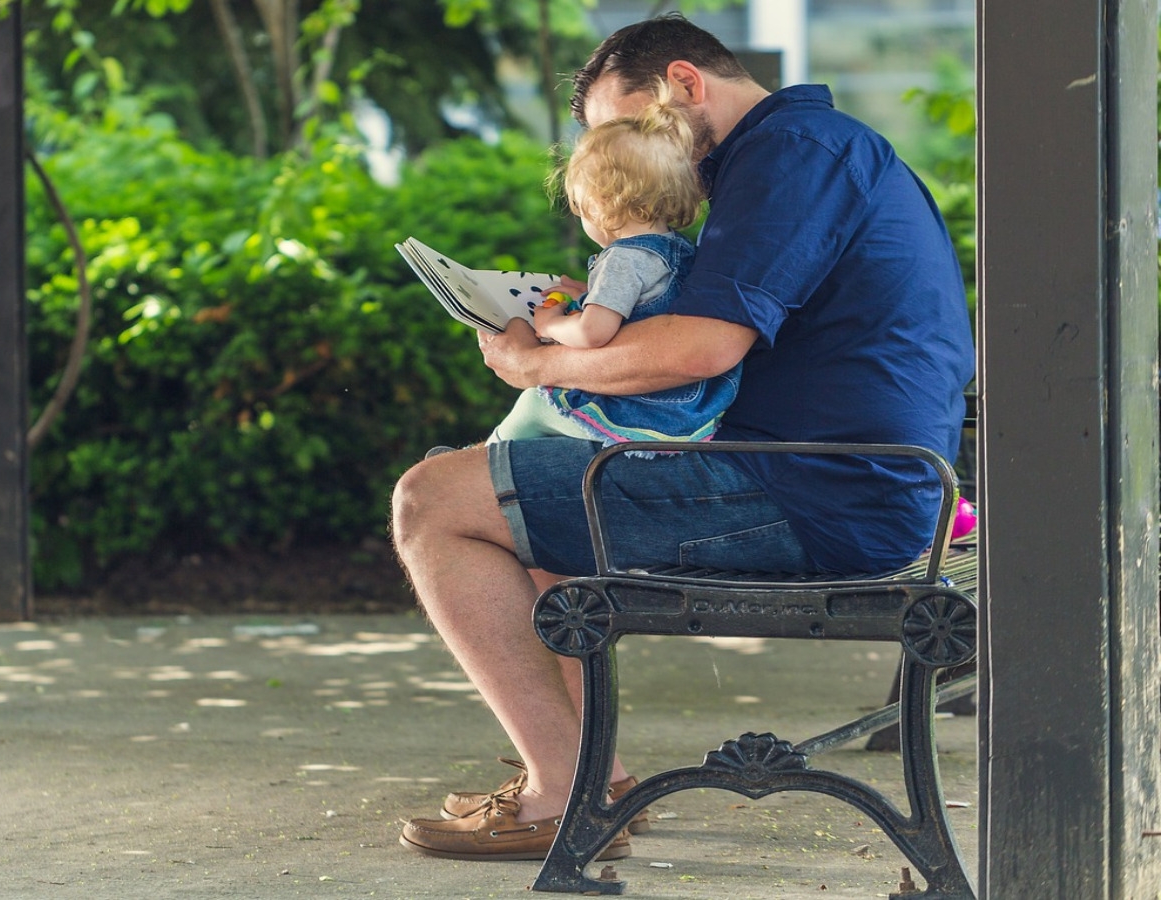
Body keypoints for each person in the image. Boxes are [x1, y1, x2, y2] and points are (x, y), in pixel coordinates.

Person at [392, 13, 974, 862]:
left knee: (433, 499)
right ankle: (593, 784)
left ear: (685, 84)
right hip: (834, 479)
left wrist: (537, 366)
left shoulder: (791, 154)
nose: (627, 158)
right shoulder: (799, 153)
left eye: (628, 130)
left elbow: (701, 349)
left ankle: (559, 793)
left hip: (817, 493)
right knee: (527, 496)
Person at [488, 90, 740, 447]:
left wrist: (551, 324)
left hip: (645, 411)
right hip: (691, 407)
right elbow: (642, 306)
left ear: (599, 202)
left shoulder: (623, 259)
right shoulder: (678, 249)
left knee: (534, 403)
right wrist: (589, 295)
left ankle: (484, 457)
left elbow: (593, 333)